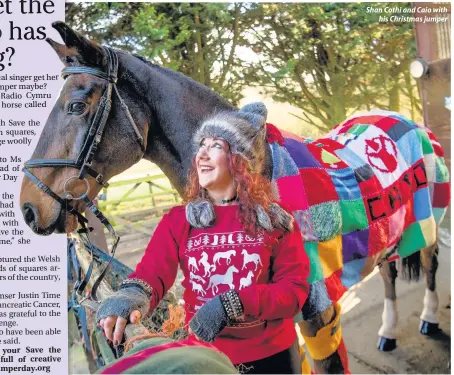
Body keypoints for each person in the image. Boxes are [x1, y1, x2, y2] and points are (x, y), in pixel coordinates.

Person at [97, 102, 310, 374]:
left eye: (216, 146)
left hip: (272, 356)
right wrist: (131, 295)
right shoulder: (179, 220)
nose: (201, 155)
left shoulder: (274, 221)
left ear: (240, 161)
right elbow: (152, 274)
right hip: (204, 359)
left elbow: (293, 292)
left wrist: (233, 303)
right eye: (201, 145)